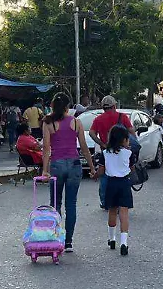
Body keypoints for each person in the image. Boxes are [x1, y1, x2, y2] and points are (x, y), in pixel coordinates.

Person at [40, 94, 96, 253]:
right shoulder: (76, 122)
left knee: (55, 204)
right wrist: (91, 167)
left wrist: (45, 169)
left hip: (56, 165)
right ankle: (69, 242)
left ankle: (56, 238)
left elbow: (46, 148)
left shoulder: (48, 123)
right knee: (71, 204)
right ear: (67, 107)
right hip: (74, 164)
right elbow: (84, 147)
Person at [89, 95, 137, 209]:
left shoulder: (98, 119)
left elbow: (91, 133)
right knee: (123, 173)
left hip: (106, 151)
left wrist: (101, 143)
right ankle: (122, 200)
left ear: (103, 107)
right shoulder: (122, 117)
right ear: (114, 105)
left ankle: (105, 201)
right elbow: (131, 131)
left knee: (106, 176)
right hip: (122, 152)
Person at [101, 125, 134, 256]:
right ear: (124, 140)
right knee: (124, 212)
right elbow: (131, 167)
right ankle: (124, 243)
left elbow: (102, 169)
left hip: (111, 182)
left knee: (112, 211)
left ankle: (112, 239)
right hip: (124, 182)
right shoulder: (129, 153)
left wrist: (95, 174)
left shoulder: (105, 153)